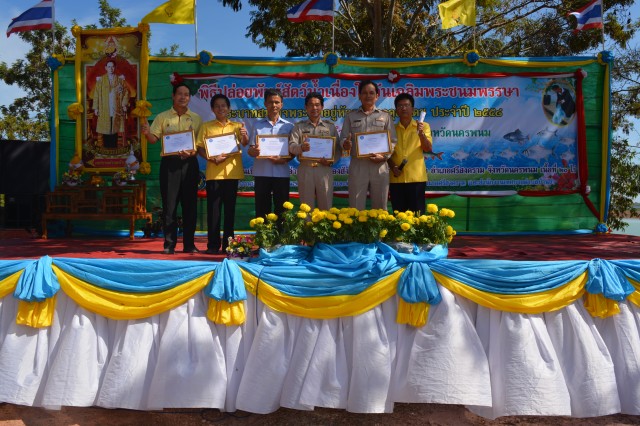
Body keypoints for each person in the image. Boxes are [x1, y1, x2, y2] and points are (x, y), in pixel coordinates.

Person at [141, 83, 202, 254]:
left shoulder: (196, 118)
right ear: (173, 96)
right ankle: (169, 245)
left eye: (186, 94)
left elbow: (199, 144)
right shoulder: (162, 117)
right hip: (170, 165)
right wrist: (146, 132)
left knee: (190, 205)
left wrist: (192, 152)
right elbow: (153, 139)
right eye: (180, 94)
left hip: (190, 164)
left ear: (189, 98)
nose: (183, 97)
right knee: (170, 206)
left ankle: (189, 244)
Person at [196, 94, 249, 254]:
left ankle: (229, 245)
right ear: (212, 109)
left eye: (223, 105)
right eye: (217, 106)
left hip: (232, 174)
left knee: (230, 211)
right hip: (214, 174)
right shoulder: (206, 127)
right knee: (214, 211)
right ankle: (212, 245)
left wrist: (245, 135)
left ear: (228, 108)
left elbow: (245, 143)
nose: (221, 108)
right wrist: (212, 158)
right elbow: (199, 148)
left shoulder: (237, 126)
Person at [340, 79, 397, 210]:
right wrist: (345, 144)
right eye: (364, 93)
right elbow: (343, 139)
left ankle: (379, 225)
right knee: (356, 207)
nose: (368, 96)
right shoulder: (350, 116)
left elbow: (393, 140)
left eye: (371, 93)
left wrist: (384, 157)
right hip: (358, 165)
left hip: (380, 165)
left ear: (377, 96)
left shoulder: (385, 116)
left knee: (380, 207)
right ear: (359, 96)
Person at [289, 92, 341, 211]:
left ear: (322, 107)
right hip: (306, 169)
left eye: (317, 105)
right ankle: (307, 224)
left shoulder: (330, 127)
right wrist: (301, 147)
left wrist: (330, 162)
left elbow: (338, 149)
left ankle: (325, 223)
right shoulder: (299, 127)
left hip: (324, 169)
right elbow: (291, 146)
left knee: (326, 205)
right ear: (306, 107)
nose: (314, 108)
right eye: (311, 105)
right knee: (306, 208)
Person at [247, 88, 294, 220]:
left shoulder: (289, 126)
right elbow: (250, 149)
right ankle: (263, 234)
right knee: (262, 209)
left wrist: (284, 159)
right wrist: (253, 151)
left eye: (277, 102)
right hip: (262, 173)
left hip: (281, 173)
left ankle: (281, 234)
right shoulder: (257, 125)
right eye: (270, 102)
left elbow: (293, 151)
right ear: (265, 104)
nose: (274, 105)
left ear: (281, 104)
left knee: (282, 210)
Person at [389, 93, 432, 214]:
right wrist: (393, 166)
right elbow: (386, 154)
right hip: (396, 179)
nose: (403, 108)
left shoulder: (424, 126)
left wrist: (421, 134)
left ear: (412, 109)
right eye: (400, 106)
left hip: (416, 178)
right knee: (398, 217)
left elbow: (428, 149)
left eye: (407, 105)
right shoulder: (391, 129)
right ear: (396, 110)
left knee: (418, 217)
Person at [93, 59, 130, 148]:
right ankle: (106, 148)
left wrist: (124, 104)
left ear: (115, 67)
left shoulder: (120, 80)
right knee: (106, 127)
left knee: (114, 127)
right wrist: (96, 108)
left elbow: (126, 92)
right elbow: (96, 94)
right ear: (106, 68)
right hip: (104, 107)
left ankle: (113, 148)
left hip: (116, 107)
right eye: (109, 67)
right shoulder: (101, 80)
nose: (111, 68)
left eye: (112, 67)